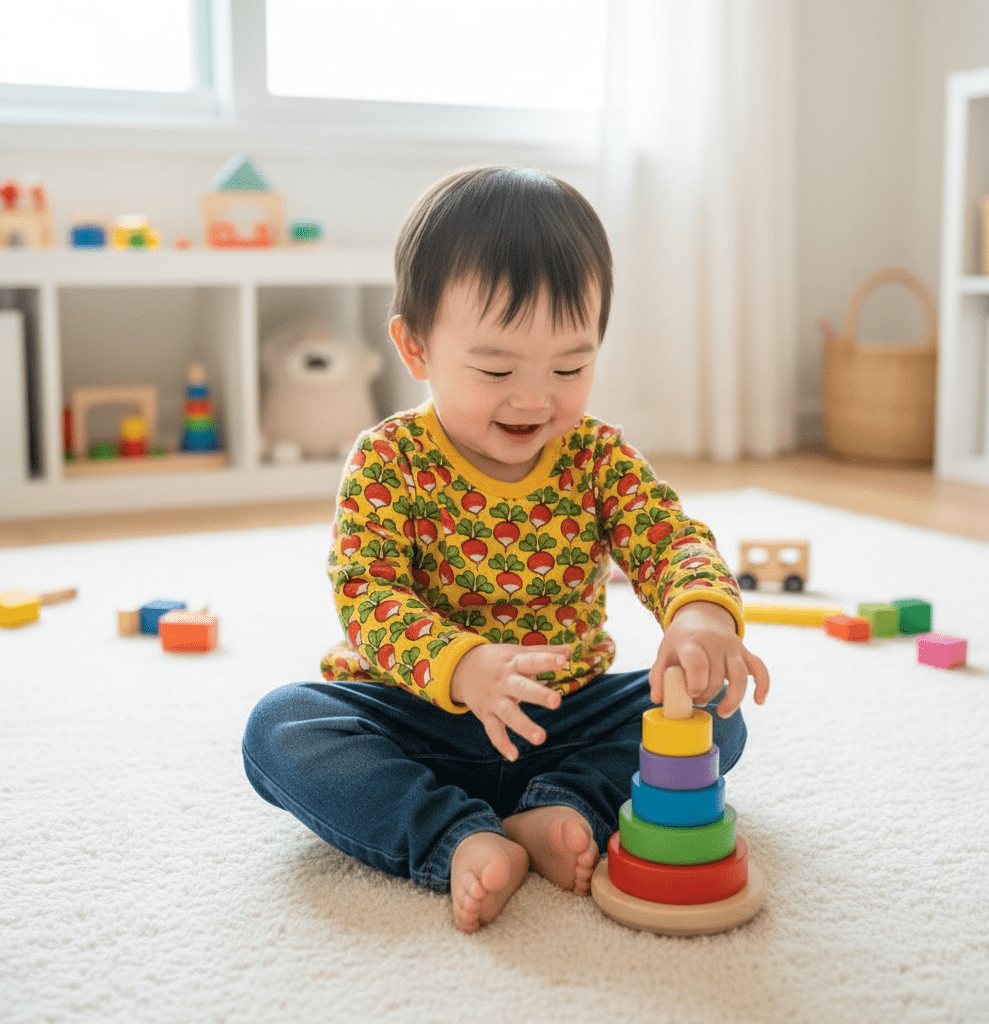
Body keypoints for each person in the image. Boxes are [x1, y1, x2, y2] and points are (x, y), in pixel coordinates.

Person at [242, 166, 770, 933]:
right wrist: (463, 666)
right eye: (495, 369)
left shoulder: (596, 456)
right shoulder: (390, 460)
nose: (534, 398)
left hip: (564, 715)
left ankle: (560, 807)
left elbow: (669, 537)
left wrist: (698, 615)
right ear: (414, 347)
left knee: (715, 721)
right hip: (419, 718)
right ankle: (455, 836)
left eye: (570, 367)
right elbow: (367, 594)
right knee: (282, 727)